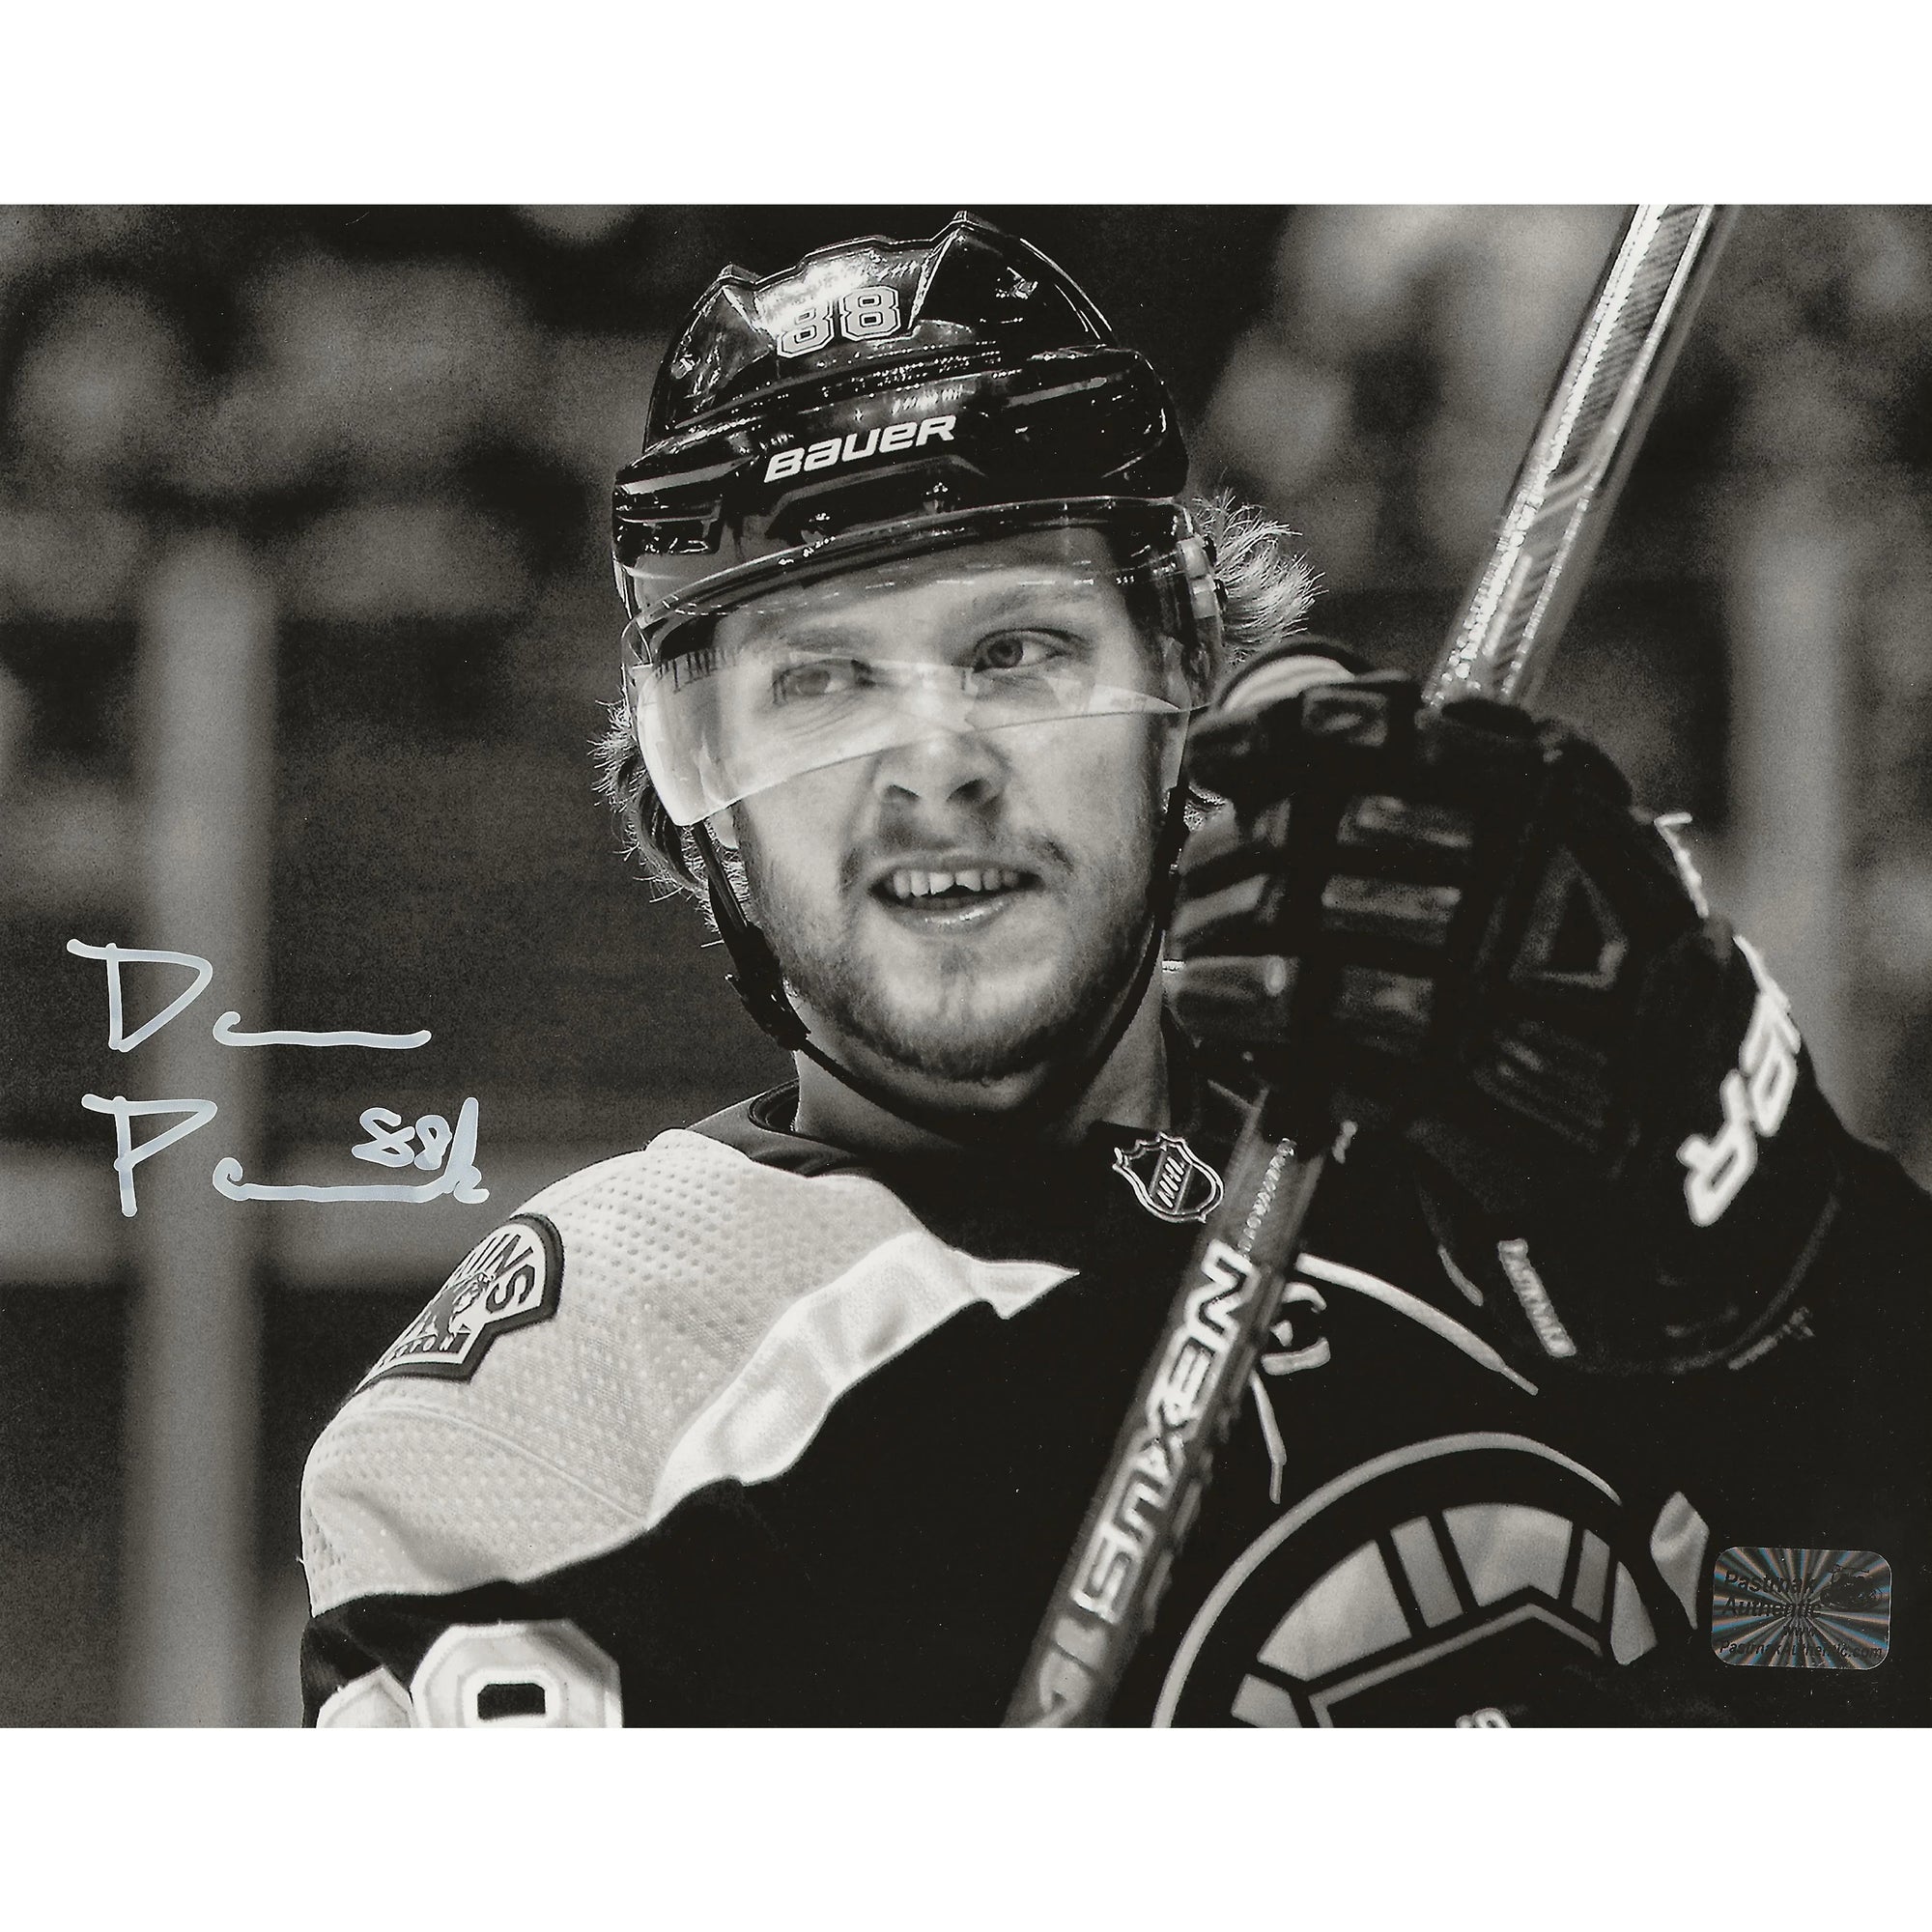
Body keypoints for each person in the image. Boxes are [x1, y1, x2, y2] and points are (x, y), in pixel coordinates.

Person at [298, 213, 1930, 1726]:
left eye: (1017, 651)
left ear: (1182, 709)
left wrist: (1768, 1242)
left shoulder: (1484, 1172)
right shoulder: (568, 1399)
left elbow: (1824, 1634)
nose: (933, 765)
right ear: (694, 806)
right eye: (820, 684)